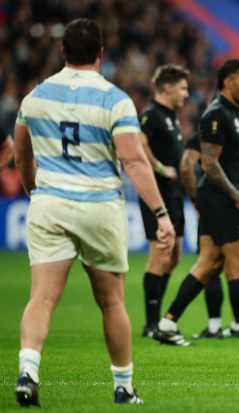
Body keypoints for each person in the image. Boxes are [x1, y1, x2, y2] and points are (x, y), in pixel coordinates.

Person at [12, 18, 175, 406]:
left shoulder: (35, 96)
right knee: (112, 301)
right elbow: (134, 162)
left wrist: (37, 192)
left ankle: (28, 371)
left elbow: (21, 155)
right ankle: (122, 386)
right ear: (102, 53)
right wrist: (160, 212)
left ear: (63, 52)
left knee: (42, 298)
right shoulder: (114, 98)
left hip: (49, 205)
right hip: (99, 206)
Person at [154, 59, 239, 347]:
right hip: (220, 200)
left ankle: (167, 323)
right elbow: (209, 164)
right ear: (227, 82)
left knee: (209, 264)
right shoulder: (216, 114)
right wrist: (238, 197)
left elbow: (230, 160)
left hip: (218, 197)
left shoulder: (232, 113)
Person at [179, 132, 239, 339]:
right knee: (233, 266)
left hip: (214, 205)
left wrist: (196, 201)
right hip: (234, 205)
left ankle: (212, 326)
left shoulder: (211, 137)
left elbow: (188, 168)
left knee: (213, 265)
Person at [138, 64, 190, 338]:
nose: (187, 94)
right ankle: (150, 323)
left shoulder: (171, 115)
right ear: (167, 88)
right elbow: (139, 143)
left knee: (174, 257)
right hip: (155, 195)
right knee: (160, 256)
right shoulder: (152, 114)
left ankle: (155, 319)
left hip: (174, 194)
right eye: (182, 88)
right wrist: (160, 168)